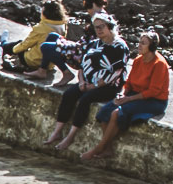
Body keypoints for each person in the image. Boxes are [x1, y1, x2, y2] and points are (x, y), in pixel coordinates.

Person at [44, 13, 127, 150]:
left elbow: (116, 72)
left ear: (110, 27)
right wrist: (81, 81)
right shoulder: (94, 43)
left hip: (108, 85)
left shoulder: (119, 46)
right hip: (88, 81)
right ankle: (57, 131)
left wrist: (95, 86)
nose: (99, 30)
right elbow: (82, 65)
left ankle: (70, 136)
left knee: (85, 100)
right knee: (69, 95)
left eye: (102, 27)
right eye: (96, 27)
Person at [82, 30, 170, 160]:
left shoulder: (159, 64)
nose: (139, 45)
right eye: (139, 42)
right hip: (136, 94)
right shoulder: (138, 60)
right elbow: (128, 83)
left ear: (151, 47)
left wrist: (128, 99)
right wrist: (122, 94)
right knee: (105, 111)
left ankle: (99, 147)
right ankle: (108, 148)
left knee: (117, 113)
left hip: (154, 100)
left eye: (143, 43)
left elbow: (153, 91)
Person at [0, 0, 66, 79]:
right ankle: (2, 42)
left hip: (33, 61)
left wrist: (14, 50)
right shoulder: (63, 26)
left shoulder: (41, 28)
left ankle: (1, 43)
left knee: (11, 46)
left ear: (46, 14)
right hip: (50, 64)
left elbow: (26, 44)